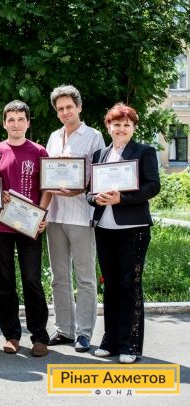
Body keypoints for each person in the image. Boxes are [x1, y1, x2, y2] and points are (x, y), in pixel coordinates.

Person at [87, 103, 160, 364]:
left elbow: (153, 186)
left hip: (133, 230)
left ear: (133, 128)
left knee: (130, 285)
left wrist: (122, 198)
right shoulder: (100, 154)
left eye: (126, 124)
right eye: (116, 124)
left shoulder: (144, 151)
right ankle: (111, 340)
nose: (121, 129)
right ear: (108, 126)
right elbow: (89, 192)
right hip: (104, 229)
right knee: (111, 285)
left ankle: (130, 345)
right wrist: (96, 198)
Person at [45, 85, 105, 352]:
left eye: (69, 106)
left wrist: (80, 188)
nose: (65, 112)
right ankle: (64, 330)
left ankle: (83, 333)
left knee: (85, 277)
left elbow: (99, 175)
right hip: (55, 214)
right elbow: (47, 174)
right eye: (60, 108)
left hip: (81, 214)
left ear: (79, 107)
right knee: (58, 276)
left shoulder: (93, 136)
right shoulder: (53, 137)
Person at [0, 100, 50, 357]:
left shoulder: (39, 151)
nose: (15, 124)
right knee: (5, 281)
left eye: (20, 119)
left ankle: (39, 336)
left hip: (30, 227)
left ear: (27, 122)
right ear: (4, 123)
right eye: (11, 120)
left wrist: (41, 215)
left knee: (31, 280)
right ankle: (11, 335)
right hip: (0, 225)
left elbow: (47, 187)